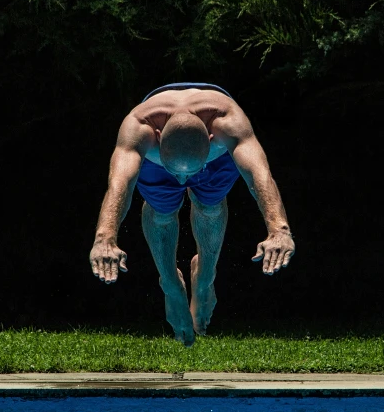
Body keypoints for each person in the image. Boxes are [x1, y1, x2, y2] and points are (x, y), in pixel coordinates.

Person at [89, 82, 295, 347]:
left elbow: (259, 175)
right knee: (162, 213)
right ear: (158, 136)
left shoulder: (229, 122)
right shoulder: (139, 127)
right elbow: (119, 186)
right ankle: (171, 285)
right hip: (159, 160)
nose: (182, 179)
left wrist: (279, 229)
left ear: (211, 139)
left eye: (189, 172)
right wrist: (104, 237)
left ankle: (205, 277)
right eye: (176, 172)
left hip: (212, 159)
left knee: (210, 206)